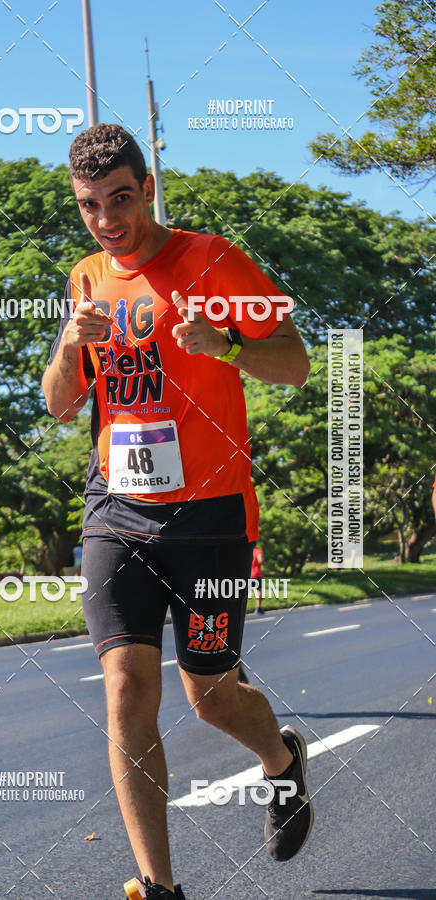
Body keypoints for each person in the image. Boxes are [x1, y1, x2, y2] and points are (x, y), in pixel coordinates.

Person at [42, 123, 313, 900]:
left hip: (210, 517)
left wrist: (226, 346)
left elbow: (294, 364)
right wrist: (69, 347)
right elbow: (60, 405)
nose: (107, 219)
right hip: (116, 510)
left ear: (149, 188)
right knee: (126, 689)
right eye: (90, 205)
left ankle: (281, 758)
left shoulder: (214, 261)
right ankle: (160, 888)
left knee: (210, 695)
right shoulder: (85, 278)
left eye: (121, 199)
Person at [251, 545, 265, 614]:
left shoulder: (246, 551)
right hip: (256, 575)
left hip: (247, 575)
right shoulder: (258, 551)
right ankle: (258, 608)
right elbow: (260, 561)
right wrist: (264, 562)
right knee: (259, 591)